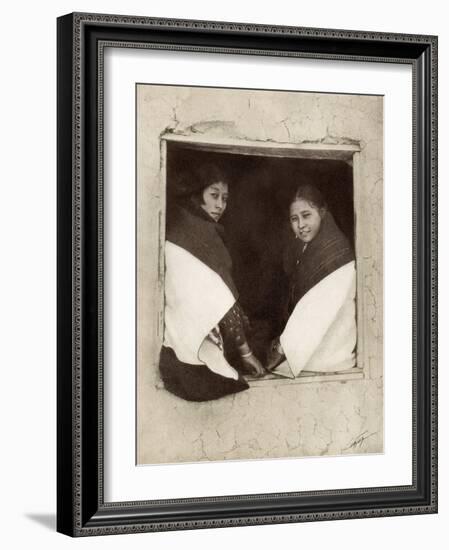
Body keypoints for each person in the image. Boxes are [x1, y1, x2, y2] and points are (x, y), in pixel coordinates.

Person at [160, 163, 265, 402]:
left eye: (225, 198)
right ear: (198, 195)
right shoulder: (202, 233)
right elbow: (223, 299)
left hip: (178, 341)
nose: (220, 205)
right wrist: (246, 352)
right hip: (198, 341)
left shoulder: (179, 224)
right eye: (214, 196)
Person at [266, 184, 356, 376]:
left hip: (330, 354)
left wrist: (281, 348)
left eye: (307, 215)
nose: (301, 225)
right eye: (294, 219)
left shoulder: (335, 250)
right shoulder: (304, 249)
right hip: (311, 346)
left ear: (322, 213)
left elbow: (316, 309)